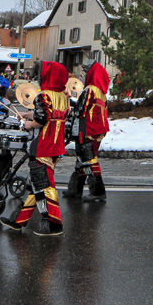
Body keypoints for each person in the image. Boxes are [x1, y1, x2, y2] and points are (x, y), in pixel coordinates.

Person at [0, 61, 71, 236]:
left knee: (45, 185)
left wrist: (28, 123)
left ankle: (54, 223)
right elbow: (51, 115)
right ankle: (19, 220)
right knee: (38, 183)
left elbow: (41, 120)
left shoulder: (43, 96)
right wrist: (28, 113)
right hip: (57, 145)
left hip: (44, 144)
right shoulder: (63, 96)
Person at [64, 62, 111, 201]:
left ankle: (97, 191)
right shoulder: (101, 92)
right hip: (97, 130)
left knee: (88, 159)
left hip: (87, 129)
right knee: (82, 159)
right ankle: (75, 189)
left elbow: (80, 110)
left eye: (86, 73)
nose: (83, 76)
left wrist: (70, 108)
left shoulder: (90, 89)